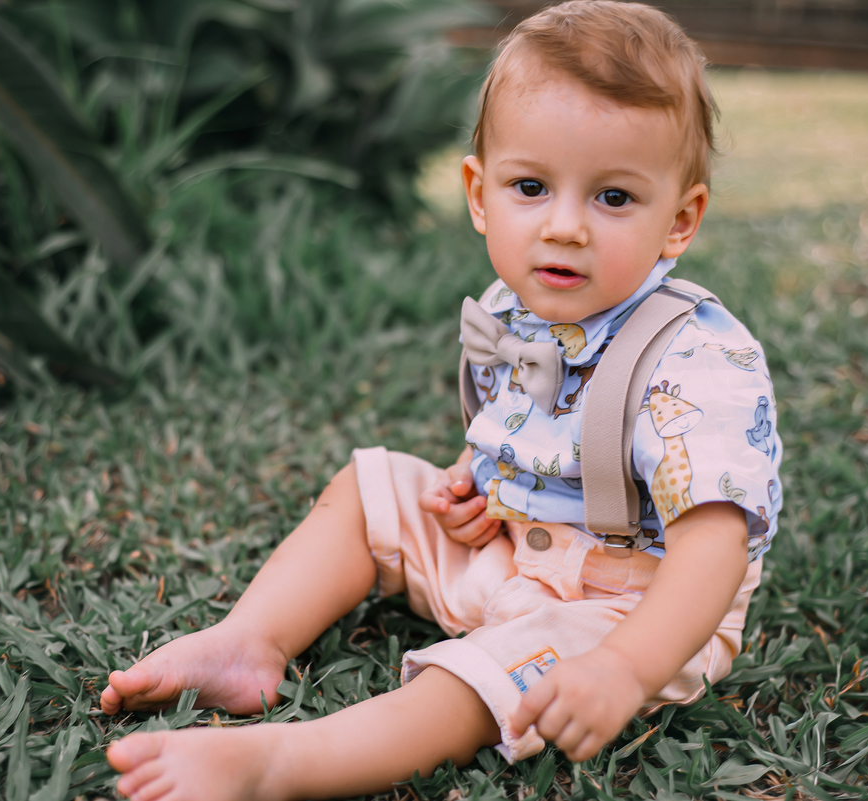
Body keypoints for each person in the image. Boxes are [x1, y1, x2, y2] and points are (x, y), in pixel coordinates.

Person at [100, 2, 783, 799]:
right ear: (479, 194)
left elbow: (714, 548)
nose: (564, 226)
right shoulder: (510, 308)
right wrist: (474, 481)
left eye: (614, 198)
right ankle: (247, 639)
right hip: (508, 549)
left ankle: (283, 761)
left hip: (630, 607)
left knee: (485, 677)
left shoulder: (697, 357)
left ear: (681, 219)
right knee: (370, 486)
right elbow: (523, 428)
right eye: (531, 186)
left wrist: (625, 669)